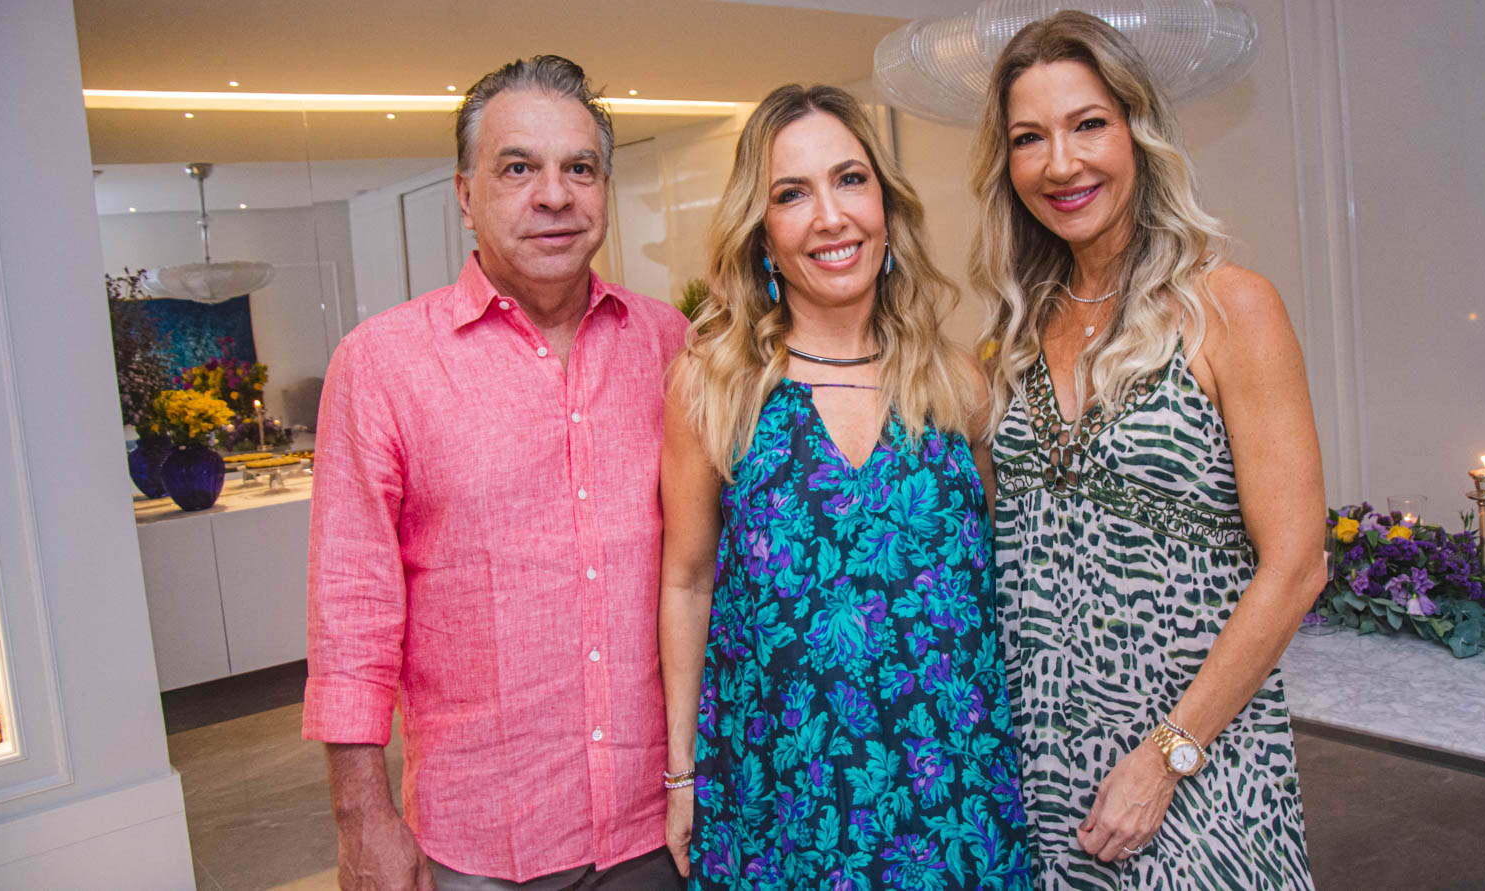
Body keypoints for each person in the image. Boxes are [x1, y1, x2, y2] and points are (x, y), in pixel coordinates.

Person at [303, 56, 689, 890]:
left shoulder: (671, 344)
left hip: (658, 826)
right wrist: (361, 816)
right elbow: (352, 611)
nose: (554, 195)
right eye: (518, 168)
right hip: (481, 841)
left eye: (579, 168)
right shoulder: (381, 365)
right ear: (465, 193)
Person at [968, 11, 1325, 889]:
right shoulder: (1008, 343)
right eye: (1029, 138)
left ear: (1138, 130)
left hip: (1198, 762)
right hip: (1046, 770)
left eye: (1088, 124)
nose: (1061, 163)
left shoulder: (1229, 308)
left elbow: (1295, 567)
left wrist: (1167, 756)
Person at [658, 84, 1033, 889]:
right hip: (783, 804)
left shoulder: (956, 384)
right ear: (761, 232)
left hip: (954, 799)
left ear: (886, 207)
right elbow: (687, 582)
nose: (830, 217)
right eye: (791, 194)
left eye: (850, 179)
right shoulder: (718, 388)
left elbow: (995, 585)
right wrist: (682, 771)